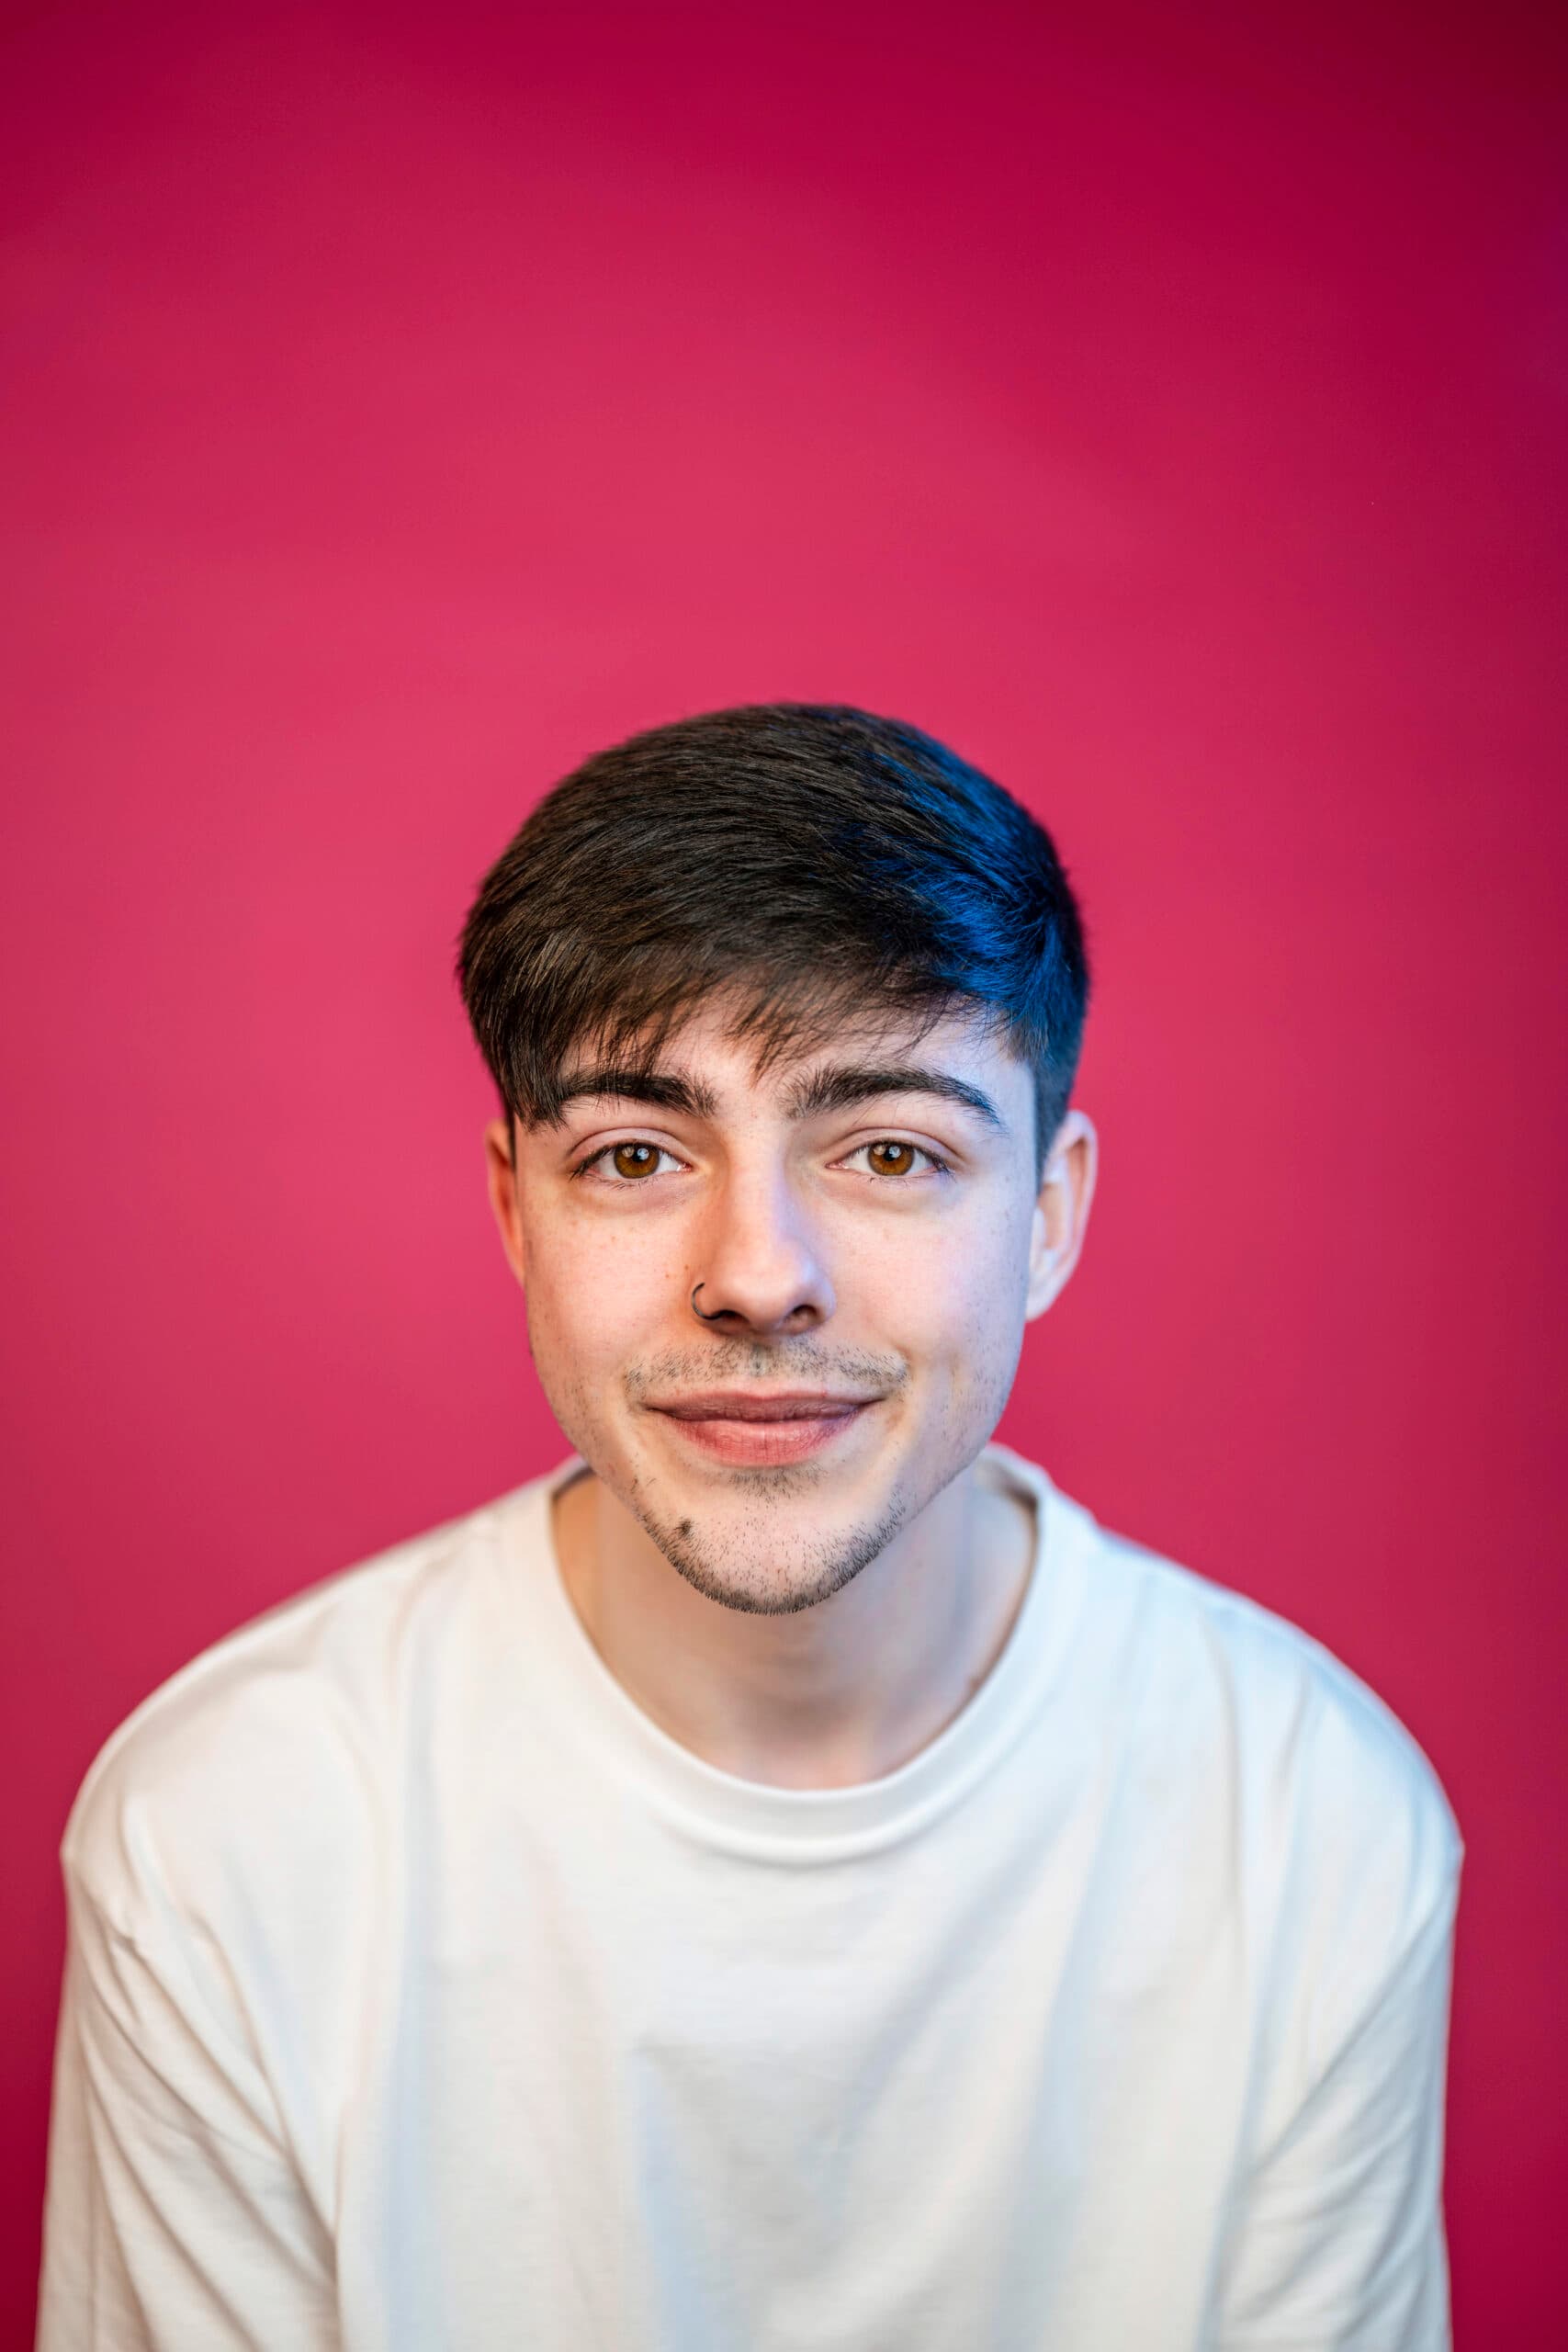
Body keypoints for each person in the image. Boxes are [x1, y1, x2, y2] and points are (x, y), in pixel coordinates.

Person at [36, 703, 1462, 2350]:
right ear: (517, 1211)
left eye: (889, 1150)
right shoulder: (231, 1834)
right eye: (637, 1153)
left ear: (1049, 1218)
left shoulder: (1310, 1826)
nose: (758, 1271)